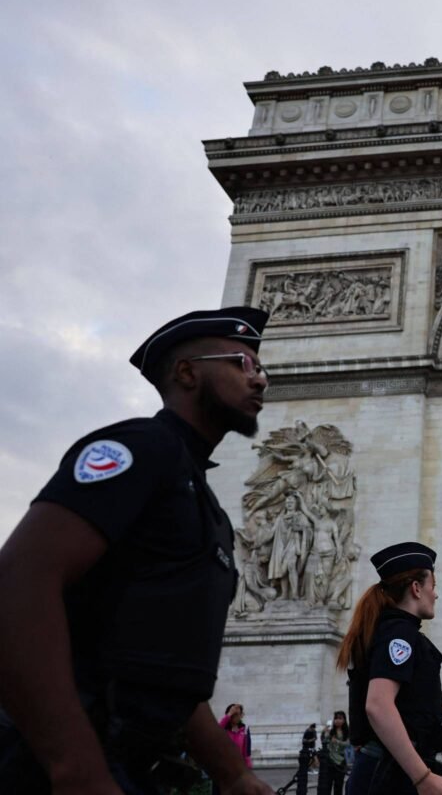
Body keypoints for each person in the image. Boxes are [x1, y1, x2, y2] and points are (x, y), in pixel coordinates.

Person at [0, 307, 274, 795]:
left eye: (260, 366)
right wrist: (76, 769)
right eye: (240, 363)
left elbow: (167, 672)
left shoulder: (206, 505)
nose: (259, 379)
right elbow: (20, 580)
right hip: (58, 763)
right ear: (187, 373)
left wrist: (233, 774)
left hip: (139, 766)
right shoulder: (139, 450)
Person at [337, 542, 442, 795]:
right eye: (433, 587)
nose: (436, 595)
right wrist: (422, 778)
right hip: (389, 774)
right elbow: (378, 705)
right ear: (416, 588)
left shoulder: (389, 630)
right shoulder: (398, 633)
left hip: (390, 768)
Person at [318, 712, 351, 795]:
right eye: (336, 718)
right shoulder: (331, 731)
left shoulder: (346, 731)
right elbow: (324, 741)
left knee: (338, 784)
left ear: (344, 720)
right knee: (328, 784)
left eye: (340, 718)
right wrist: (324, 732)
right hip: (330, 760)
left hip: (341, 761)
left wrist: (337, 741)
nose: (337, 720)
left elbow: (348, 743)